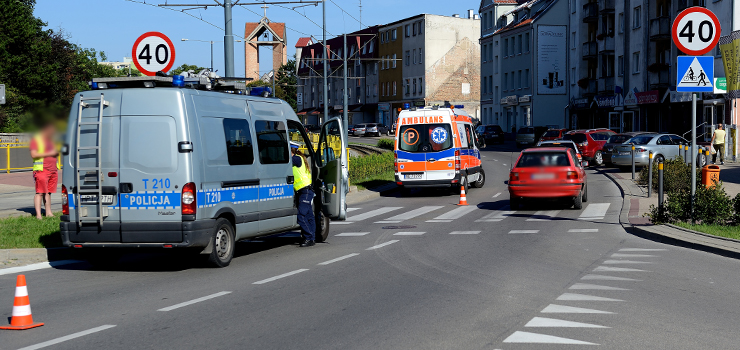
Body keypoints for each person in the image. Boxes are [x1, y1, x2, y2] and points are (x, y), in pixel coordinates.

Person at [29, 123, 60, 219]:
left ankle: (48, 213)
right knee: (40, 192)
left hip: (53, 169)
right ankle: (38, 215)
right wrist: (50, 153)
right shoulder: (36, 140)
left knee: (48, 192)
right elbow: (34, 154)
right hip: (42, 170)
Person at [290, 141, 316, 247]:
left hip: (304, 191)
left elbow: (285, 160)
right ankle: (312, 237)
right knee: (309, 216)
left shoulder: (296, 159)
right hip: (305, 191)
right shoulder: (300, 158)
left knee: (301, 216)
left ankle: (309, 237)